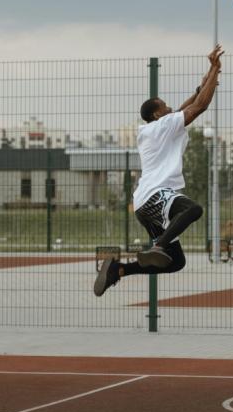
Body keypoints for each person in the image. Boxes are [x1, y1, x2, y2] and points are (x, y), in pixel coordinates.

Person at [94, 44, 225, 296]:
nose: (169, 109)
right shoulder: (161, 126)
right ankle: (159, 245)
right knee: (193, 209)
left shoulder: (155, 129)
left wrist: (206, 81)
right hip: (155, 196)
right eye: (164, 107)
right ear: (156, 114)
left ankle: (119, 270)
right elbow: (199, 107)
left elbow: (188, 105)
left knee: (176, 262)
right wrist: (215, 69)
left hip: (144, 204)